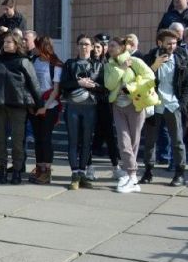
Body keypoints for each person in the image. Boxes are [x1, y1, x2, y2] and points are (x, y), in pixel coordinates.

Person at [0, 30, 43, 184]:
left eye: (9, 42)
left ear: (16, 44)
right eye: (5, 42)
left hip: (17, 106)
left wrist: (40, 104)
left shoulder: (23, 61)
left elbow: (34, 84)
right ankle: (2, 169)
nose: (6, 44)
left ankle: (17, 170)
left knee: (17, 142)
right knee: (0, 141)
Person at [140, 29, 188, 187]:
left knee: (177, 141)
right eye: (169, 43)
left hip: (173, 105)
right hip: (154, 105)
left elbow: (186, 86)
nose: (172, 46)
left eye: (174, 43)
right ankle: (148, 171)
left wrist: (181, 104)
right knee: (150, 141)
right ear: (160, 43)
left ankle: (179, 174)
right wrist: (154, 67)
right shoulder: (150, 57)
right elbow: (140, 80)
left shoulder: (180, 60)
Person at [103, 36, 155, 193]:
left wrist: (131, 87)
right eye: (109, 46)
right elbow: (109, 84)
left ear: (122, 47)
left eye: (113, 45)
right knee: (123, 141)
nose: (110, 48)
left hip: (136, 105)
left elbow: (150, 77)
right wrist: (122, 69)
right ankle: (132, 175)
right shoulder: (109, 65)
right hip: (117, 106)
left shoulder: (135, 61)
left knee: (134, 140)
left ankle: (129, 174)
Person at [60, 35, 106, 190]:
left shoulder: (98, 65)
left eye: (87, 44)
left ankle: (83, 173)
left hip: (90, 107)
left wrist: (92, 86)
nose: (84, 47)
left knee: (87, 141)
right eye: (81, 44)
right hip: (73, 107)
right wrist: (78, 83)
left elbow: (104, 88)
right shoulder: (70, 64)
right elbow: (63, 85)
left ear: (92, 47)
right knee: (73, 141)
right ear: (77, 46)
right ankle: (74, 174)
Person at [28, 36, 63, 185]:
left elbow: (56, 90)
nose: (33, 48)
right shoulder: (34, 61)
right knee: (37, 139)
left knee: (45, 138)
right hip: (35, 105)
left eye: (36, 46)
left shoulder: (55, 64)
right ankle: (39, 167)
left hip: (50, 106)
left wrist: (45, 107)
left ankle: (47, 170)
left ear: (42, 47)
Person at [89, 33, 121, 181]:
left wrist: (96, 86)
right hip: (90, 103)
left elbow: (110, 85)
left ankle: (116, 166)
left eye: (101, 46)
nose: (98, 49)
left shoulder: (110, 63)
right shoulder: (88, 62)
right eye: (95, 46)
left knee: (110, 136)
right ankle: (88, 167)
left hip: (105, 103)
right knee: (88, 136)